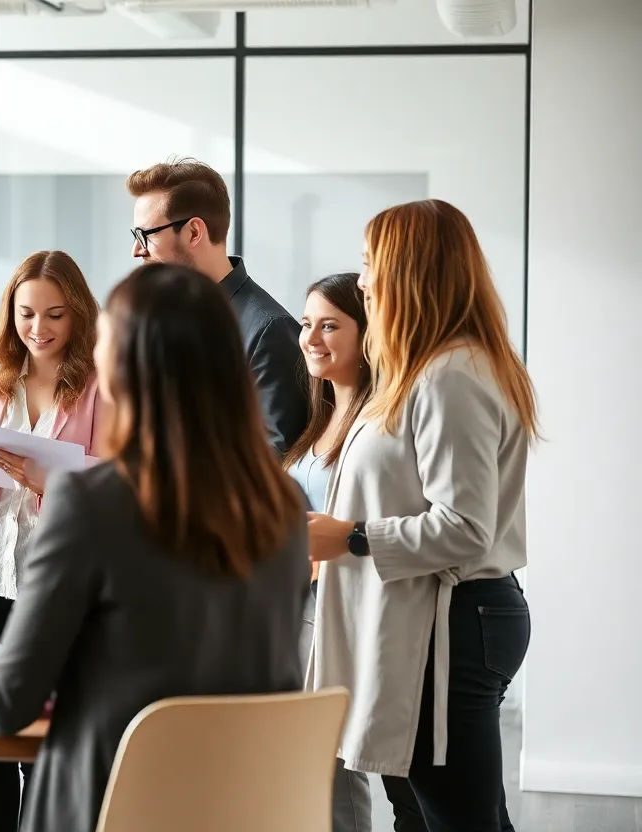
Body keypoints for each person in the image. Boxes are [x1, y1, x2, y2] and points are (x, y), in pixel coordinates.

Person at [0, 262, 310, 832]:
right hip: (241, 806)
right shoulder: (283, 505)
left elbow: (7, 703)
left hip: (110, 805)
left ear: (122, 369)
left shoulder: (93, 502)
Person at [306, 200, 536, 832]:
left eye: (369, 264)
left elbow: (463, 527)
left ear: (408, 270)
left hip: (456, 625)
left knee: (456, 819)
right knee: (465, 814)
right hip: (450, 620)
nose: (362, 282)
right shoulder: (433, 369)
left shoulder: (450, 375)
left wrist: (348, 538)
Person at [0, 250, 101, 832]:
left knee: (46, 728)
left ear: (79, 314)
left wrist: (45, 482)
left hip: (59, 578)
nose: (39, 329)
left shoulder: (100, 385)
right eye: (27, 314)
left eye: (55, 314)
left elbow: (113, 487)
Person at [126, 157, 307, 455]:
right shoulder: (160, 321)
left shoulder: (268, 331)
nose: (136, 249)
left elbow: (273, 461)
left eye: (145, 235)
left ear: (194, 232)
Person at [285, 272, 375, 832]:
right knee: (309, 764)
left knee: (335, 763)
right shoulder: (317, 419)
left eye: (330, 325)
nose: (312, 337)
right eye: (306, 324)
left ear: (366, 335)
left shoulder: (374, 422)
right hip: (298, 609)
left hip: (337, 609)